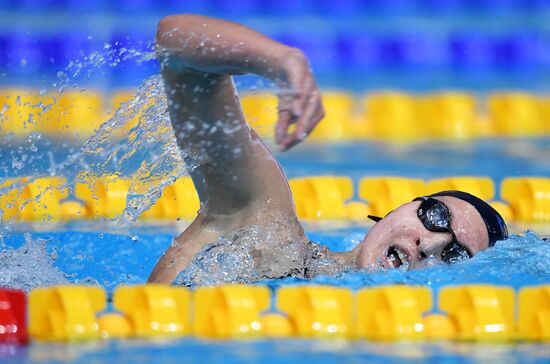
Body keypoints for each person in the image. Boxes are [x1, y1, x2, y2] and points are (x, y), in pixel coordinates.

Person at [148, 14, 508, 284]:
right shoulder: (260, 229)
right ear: (402, 207)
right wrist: (281, 60)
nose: (428, 243)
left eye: (454, 254)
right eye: (436, 217)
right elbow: (176, 47)